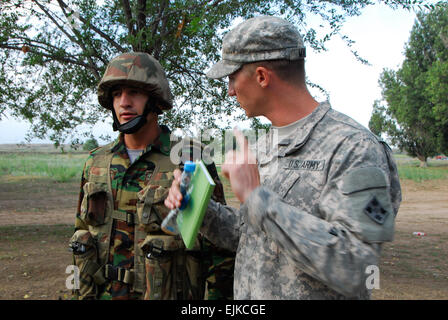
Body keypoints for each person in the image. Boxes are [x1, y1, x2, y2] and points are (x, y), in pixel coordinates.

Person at [165, 16, 402, 299]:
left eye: (231, 78)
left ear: (262, 77)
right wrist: (199, 210)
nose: (229, 91)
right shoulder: (265, 146)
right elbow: (249, 234)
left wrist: (257, 199)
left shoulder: (355, 147)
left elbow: (358, 269)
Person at [70, 52, 234, 300]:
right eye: (116, 94)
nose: (124, 102)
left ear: (155, 100)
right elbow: (80, 235)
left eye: (134, 92)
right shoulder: (96, 162)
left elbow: (220, 251)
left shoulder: (190, 159)